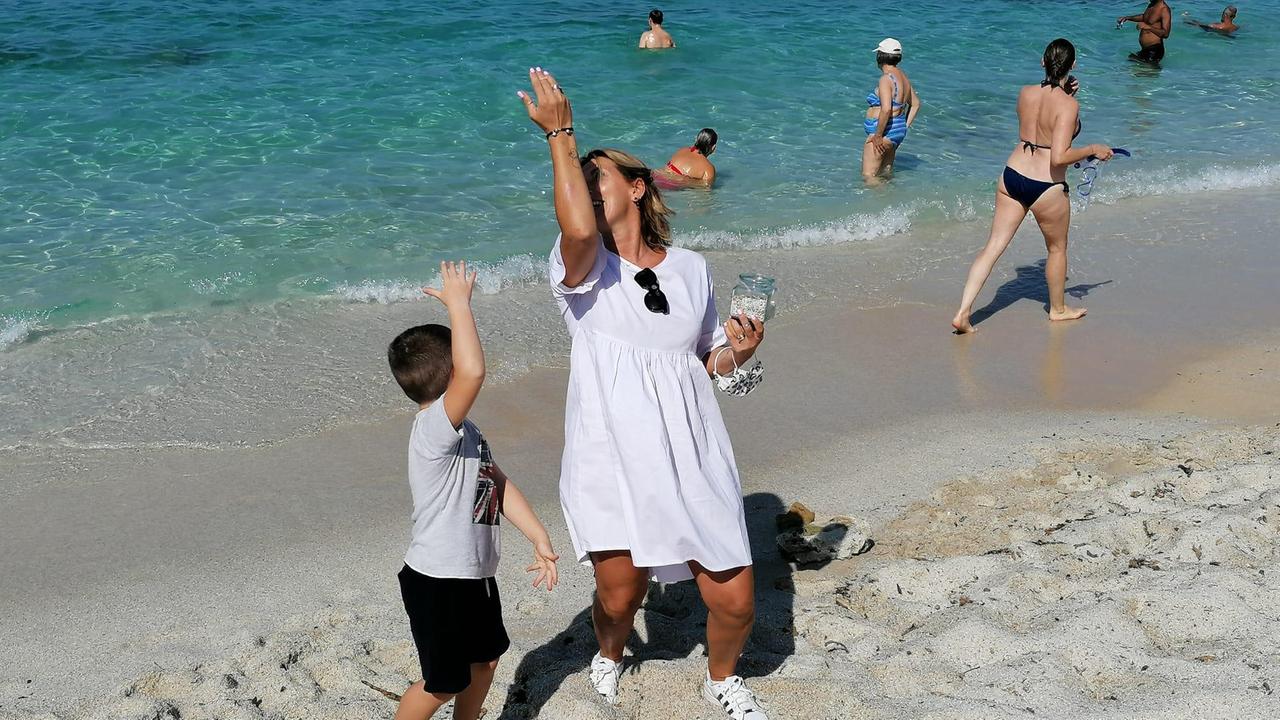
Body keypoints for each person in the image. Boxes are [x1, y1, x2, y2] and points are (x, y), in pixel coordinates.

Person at [517, 67, 770, 720]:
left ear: (636, 187)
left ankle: (720, 679)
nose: (582, 192)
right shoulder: (581, 268)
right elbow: (576, 227)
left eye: (594, 179)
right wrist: (562, 139)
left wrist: (738, 350)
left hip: (691, 450)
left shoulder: (691, 269)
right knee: (619, 594)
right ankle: (608, 655)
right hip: (613, 451)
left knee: (735, 599)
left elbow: (709, 357)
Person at [387, 260, 560, 720]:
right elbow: (474, 373)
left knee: (484, 662)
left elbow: (496, 484)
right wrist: (460, 307)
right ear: (449, 379)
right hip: (436, 580)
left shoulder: (466, 433)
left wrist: (538, 535)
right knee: (443, 682)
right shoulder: (432, 430)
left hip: (475, 574)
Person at [951, 39, 1114, 334]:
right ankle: (1058, 309)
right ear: (1073, 65)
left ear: (1043, 62)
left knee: (992, 248)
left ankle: (963, 312)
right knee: (1057, 249)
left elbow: (1038, 126)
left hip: (1012, 175)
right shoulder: (1070, 104)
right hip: (1046, 185)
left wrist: (1064, 94)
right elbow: (1060, 154)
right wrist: (1094, 148)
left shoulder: (1025, 93)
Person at [862, 38, 920, 183]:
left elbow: (886, 109)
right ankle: (892, 204)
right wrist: (903, 127)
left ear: (880, 56)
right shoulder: (903, 77)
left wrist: (878, 136)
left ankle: (882, 204)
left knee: (869, 178)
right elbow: (916, 104)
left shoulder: (886, 79)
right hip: (896, 131)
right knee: (885, 176)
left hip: (885, 132)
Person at [1119, 0, 1173, 65]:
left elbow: (1166, 34)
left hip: (1154, 51)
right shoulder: (1152, 4)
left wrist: (1148, 27)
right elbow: (1145, 17)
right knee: (1131, 64)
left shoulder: (1164, 10)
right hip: (1145, 50)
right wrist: (1127, 18)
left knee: (1146, 72)